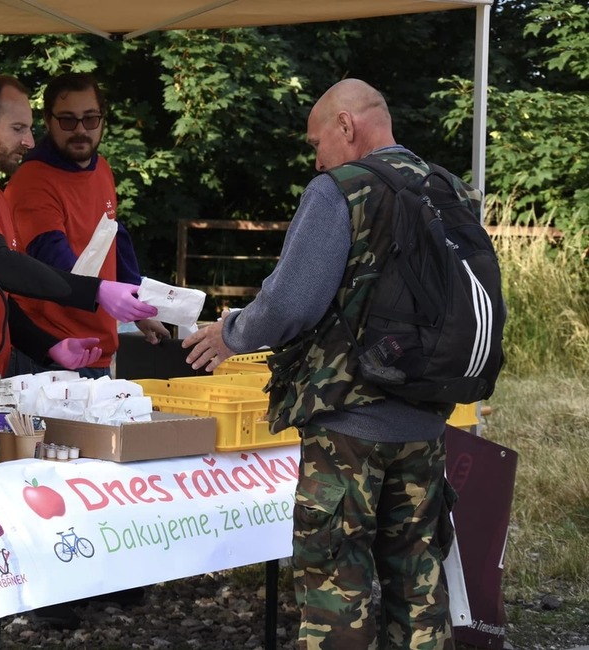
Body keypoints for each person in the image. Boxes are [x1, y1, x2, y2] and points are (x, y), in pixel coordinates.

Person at [184, 79, 462, 649]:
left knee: (339, 588)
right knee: (419, 581)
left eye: (317, 143)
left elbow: (289, 303)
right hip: (428, 419)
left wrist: (231, 332)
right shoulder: (447, 188)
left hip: (349, 427)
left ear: (346, 125)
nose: (316, 158)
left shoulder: (340, 190)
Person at [0, 74, 157, 649]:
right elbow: (4, 265)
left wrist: (50, 347)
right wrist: (94, 295)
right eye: (18, 127)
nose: (27, 139)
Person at [4, 72, 170, 379]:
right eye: (68, 120)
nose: (80, 130)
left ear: (103, 118)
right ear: (48, 119)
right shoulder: (32, 180)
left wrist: (137, 308)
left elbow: (114, 240)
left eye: (90, 119)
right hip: (50, 352)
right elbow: (52, 260)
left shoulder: (101, 167)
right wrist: (104, 294)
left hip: (96, 348)